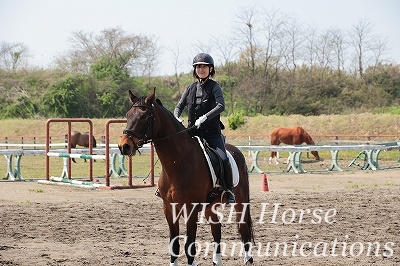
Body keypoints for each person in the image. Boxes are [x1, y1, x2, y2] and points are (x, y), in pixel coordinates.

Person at [174, 53, 235, 204]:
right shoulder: (190, 88)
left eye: (204, 66)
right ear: (195, 70)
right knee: (174, 154)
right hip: (191, 132)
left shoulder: (215, 87)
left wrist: (205, 117)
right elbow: (178, 106)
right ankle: (168, 186)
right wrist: (176, 117)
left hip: (211, 133)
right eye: (198, 67)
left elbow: (221, 106)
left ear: (210, 68)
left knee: (223, 158)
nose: (201, 69)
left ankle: (228, 191)